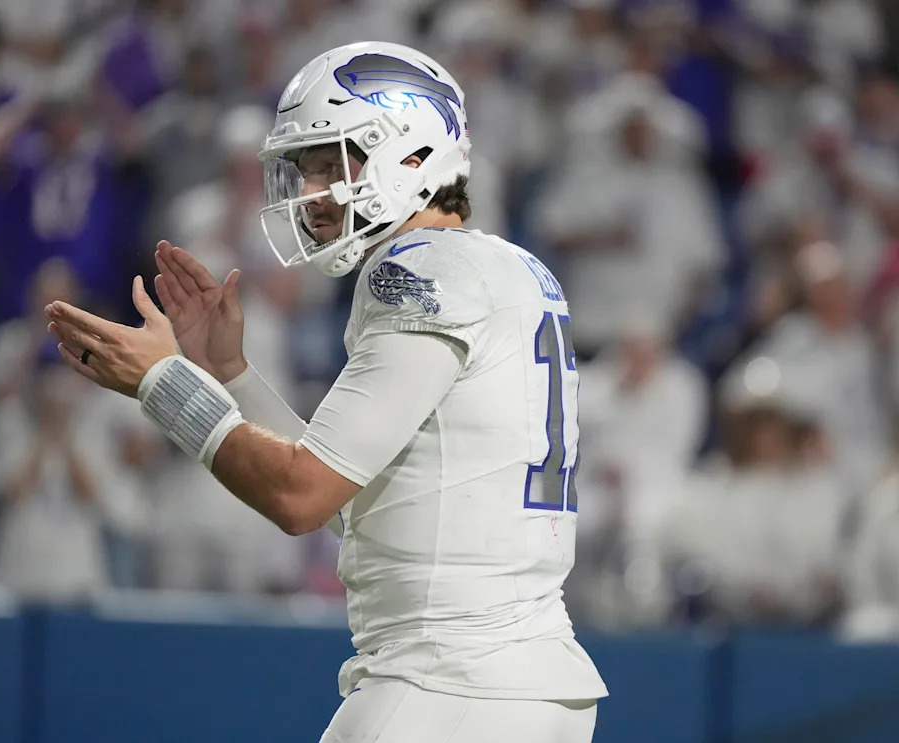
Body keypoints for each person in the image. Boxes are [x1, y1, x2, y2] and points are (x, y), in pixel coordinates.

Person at [44, 42, 606, 742]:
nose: (312, 192)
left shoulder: (416, 270)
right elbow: (369, 501)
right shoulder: (513, 269)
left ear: (409, 155)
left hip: (445, 685)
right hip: (529, 687)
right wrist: (230, 375)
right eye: (306, 168)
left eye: (331, 160)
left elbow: (300, 495)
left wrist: (162, 382)